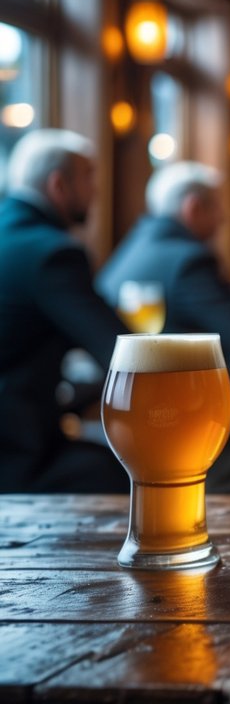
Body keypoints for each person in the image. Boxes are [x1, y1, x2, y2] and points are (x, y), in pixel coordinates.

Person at [97, 161, 230, 491]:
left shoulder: (129, 250)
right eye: (218, 208)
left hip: (131, 402)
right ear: (194, 207)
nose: (223, 219)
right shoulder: (189, 259)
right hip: (185, 413)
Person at [0, 129, 128, 493]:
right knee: (122, 473)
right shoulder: (52, 254)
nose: (97, 192)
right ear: (59, 184)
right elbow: (121, 352)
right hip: (16, 455)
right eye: (90, 178)